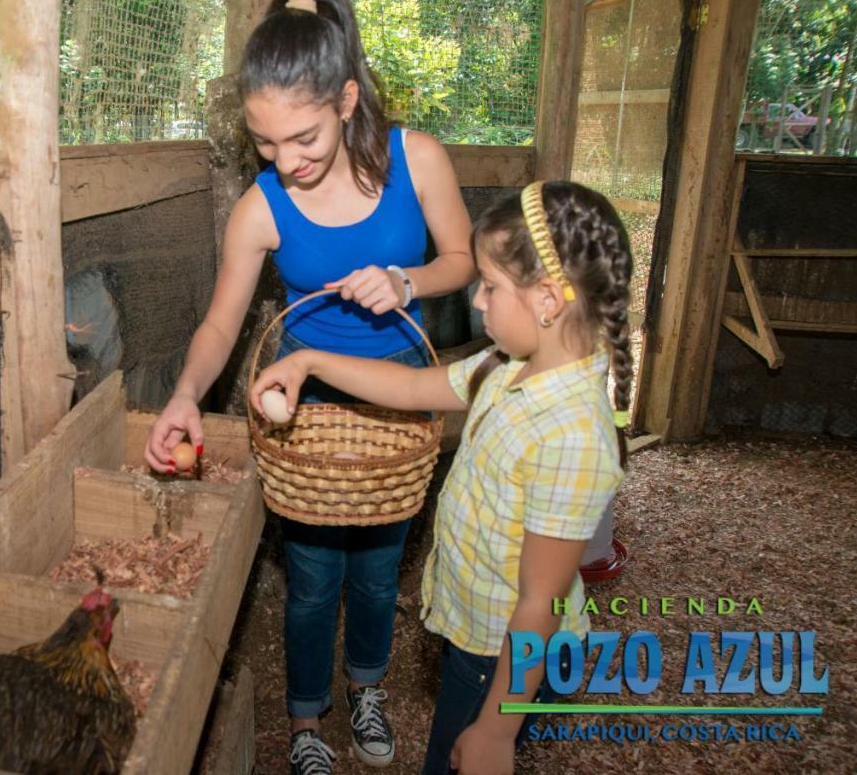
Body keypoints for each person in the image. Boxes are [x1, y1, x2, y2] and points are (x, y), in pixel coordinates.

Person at [143, 0, 475, 773]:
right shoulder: (260, 207)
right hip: (303, 397)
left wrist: (407, 283)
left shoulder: (417, 158)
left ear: (347, 99)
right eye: (265, 143)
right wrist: (185, 394)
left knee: (378, 566)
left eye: (303, 140)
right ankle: (304, 720)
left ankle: (365, 686)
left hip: (400, 389)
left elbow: (462, 262)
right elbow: (222, 323)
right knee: (314, 575)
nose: (285, 161)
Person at [251, 180, 634, 775]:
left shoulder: (572, 437)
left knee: (460, 755)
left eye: (492, 286)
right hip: (477, 632)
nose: (477, 300)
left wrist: (498, 728)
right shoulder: (506, 366)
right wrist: (308, 360)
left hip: (502, 654)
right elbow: (409, 386)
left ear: (548, 301)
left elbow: (542, 601)